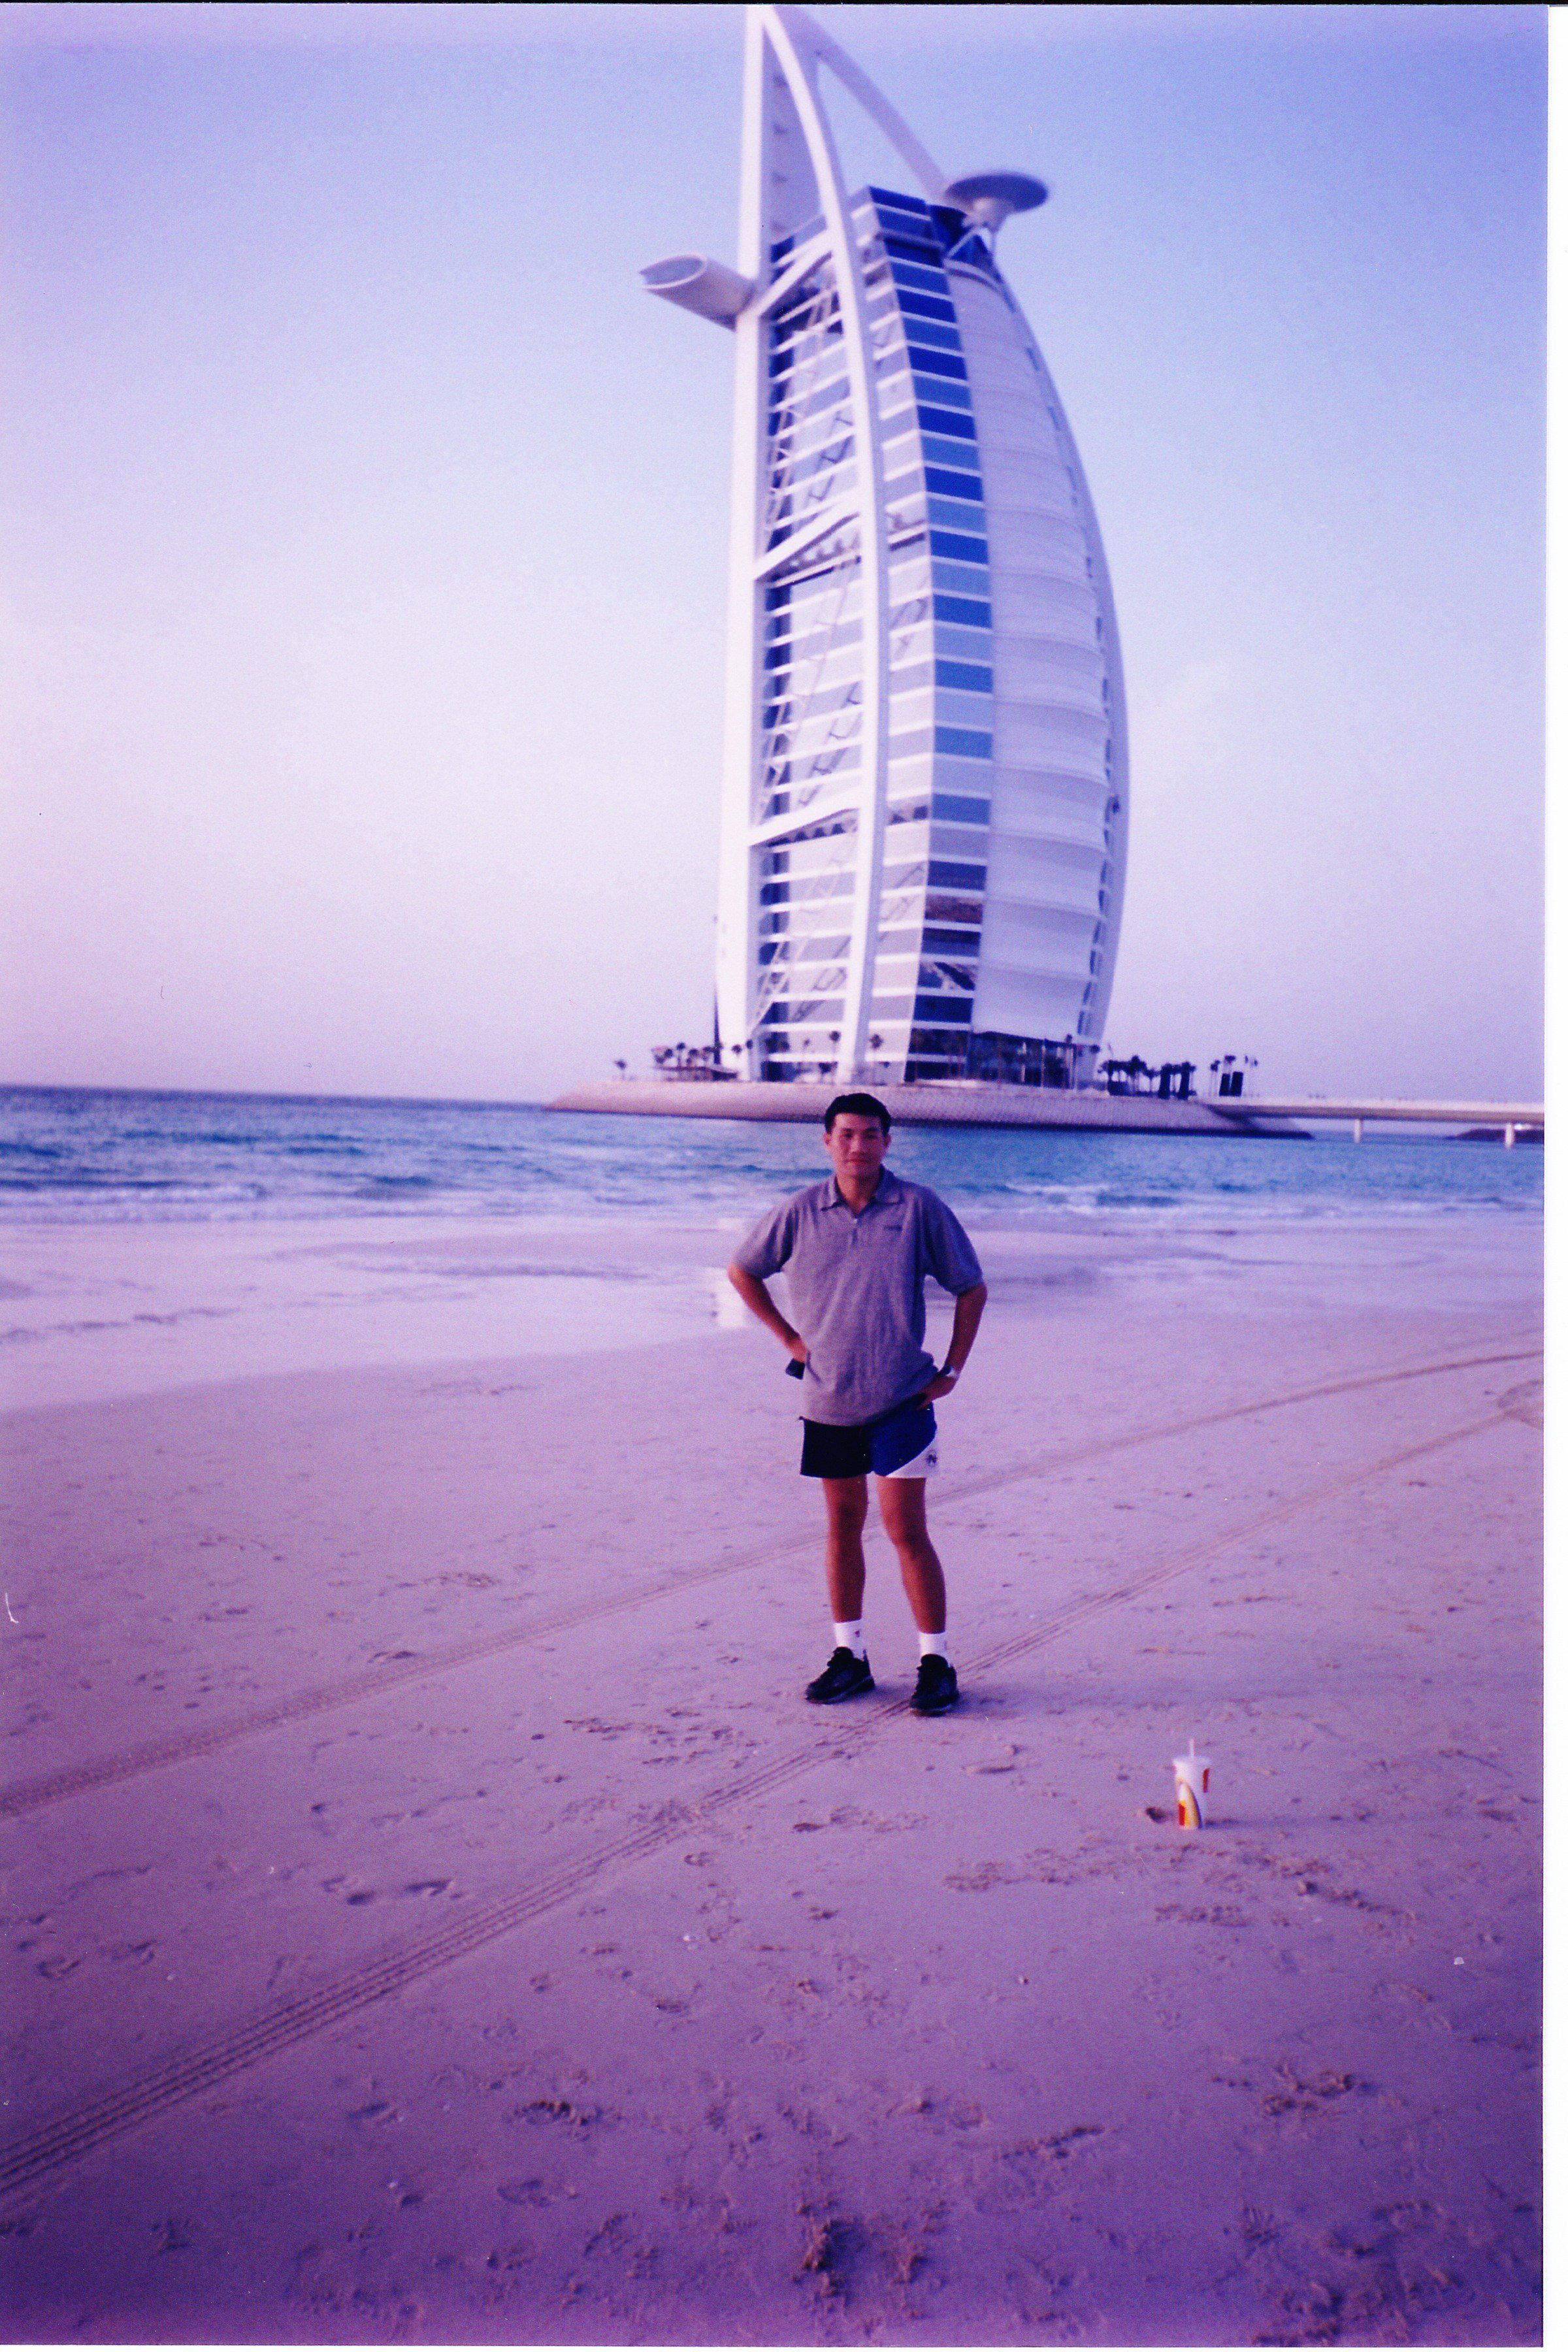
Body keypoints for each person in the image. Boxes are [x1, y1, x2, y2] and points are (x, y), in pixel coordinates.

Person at [727, 1092, 987, 1716]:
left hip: (901, 1399)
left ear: (887, 1142)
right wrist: (789, 1338)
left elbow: (971, 1287)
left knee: (906, 1532)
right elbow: (743, 1270)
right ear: (826, 1141)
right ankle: (851, 1658)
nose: (857, 1146)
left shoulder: (918, 1206)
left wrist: (952, 1368)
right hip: (827, 1402)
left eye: (870, 1135)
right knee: (842, 1527)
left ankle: (937, 1663)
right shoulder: (799, 1210)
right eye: (845, 1134)